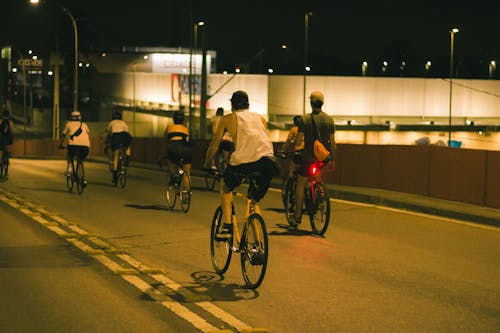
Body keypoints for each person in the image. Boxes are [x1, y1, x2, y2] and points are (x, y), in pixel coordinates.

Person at [204, 90, 278, 238]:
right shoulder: (261, 119)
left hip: (244, 163)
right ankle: (257, 240)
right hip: (267, 162)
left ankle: (227, 226)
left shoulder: (227, 119)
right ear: (248, 104)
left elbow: (215, 144)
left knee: (225, 185)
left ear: (232, 105)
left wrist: (207, 163)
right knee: (253, 198)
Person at [291, 91, 336, 225]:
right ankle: (320, 196)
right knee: (317, 178)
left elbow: (298, 140)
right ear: (322, 103)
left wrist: (295, 145)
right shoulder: (329, 120)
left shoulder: (305, 119)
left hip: (308, 158)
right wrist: (332, 160)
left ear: (311, 103)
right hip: (323, 158)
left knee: (300, 184)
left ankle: (297, 217)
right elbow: (333, 143)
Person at [59, 111, 91, 186]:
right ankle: (83, 178)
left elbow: (63, 135)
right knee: (80, 160)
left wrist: (60, 144)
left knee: (69, 157)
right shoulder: (84, 124)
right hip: (85, 146)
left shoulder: (68, 124)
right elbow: (88, 133)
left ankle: (69, 171)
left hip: (73, 145)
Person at [162, 110, 193, 181]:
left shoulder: (169, 128)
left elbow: (164, 143)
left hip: (174, 148)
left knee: (170, 161)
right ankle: (187, 190)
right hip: (186, 150)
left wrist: (162, 155)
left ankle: (174, 176)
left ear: (174, 119)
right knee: (187, 172)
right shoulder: (186, 129)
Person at [105, 111, 132, 184]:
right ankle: (127, 156)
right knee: (128, 145)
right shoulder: (123, 123)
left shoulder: (111, 123)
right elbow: (126, 131)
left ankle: (115, 174)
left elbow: (108, 134)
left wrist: (107, 144)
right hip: (125, 135)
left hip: (116, 137)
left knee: (116, 156)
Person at [209, 107, 234, 172]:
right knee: (226, 158)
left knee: (215, 154)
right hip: (227, 140)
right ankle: (227, 170)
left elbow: (214, 131)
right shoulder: (225, 119)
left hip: (219, 139)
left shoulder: (214, 119)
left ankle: (215, 168)